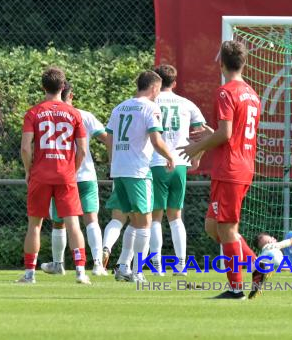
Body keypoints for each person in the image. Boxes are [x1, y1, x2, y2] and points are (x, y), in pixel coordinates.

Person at [179, 40, 260, 300]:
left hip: (230, 169)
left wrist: (198, 147)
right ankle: (258, 265)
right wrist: (212, 135)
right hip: (243, 164)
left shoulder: (225, 92)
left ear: (221, 63)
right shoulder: (252, 94)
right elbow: (232, 135)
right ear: (244, 63)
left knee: (226, 229)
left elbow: (226, 134)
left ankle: (236, 288)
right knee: (213, 227)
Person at [18, 67, 90, 284]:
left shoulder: (34, 112)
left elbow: (25, 148)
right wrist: (73, 170)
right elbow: (83, 150)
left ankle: (30, 273)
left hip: (40, 174)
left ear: (43, 87)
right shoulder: (74, 113)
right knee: (73, 224)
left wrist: (28, 171)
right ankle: (80, 272)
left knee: (35, 225)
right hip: (65, 175)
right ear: (63, 87)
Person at [106, 70, 176, 283]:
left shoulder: (119, 107)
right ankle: (138, 272)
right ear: (154, 87)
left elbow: (109, 138)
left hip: (119, 170)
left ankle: (124, 268)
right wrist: (169, 156)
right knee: (144, 222)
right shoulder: (151, 107)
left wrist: (113, 162)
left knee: (134, 221)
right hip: (138, 171)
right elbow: (156, 140)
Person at [40, 82, 108, 276]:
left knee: (59, 222)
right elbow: (106, 138)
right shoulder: (84, 115)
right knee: (91, 219)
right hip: (85, 175)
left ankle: (58, 264)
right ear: (71, 95)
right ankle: (97, 265)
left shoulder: (47, 114)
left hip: (61, 175)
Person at [149, 64, 206, 276]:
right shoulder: (186, 104)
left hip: (156, 162)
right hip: (180, 163)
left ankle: (156, 266)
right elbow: (201, 134)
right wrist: (197, 158)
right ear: (174, 83)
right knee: (175, 216)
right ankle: (181, 265)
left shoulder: (150, 102)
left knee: (156, 216)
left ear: (155, 80)